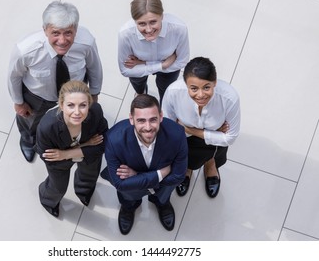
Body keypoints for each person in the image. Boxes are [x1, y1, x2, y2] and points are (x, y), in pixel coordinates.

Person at [8, 1, 103, 162]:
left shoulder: (86, 42)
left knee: (72, 119)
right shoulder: (26, 50)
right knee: (29, 122)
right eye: (56, 33)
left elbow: (95, 68)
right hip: (38, 97)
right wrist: (18, 102)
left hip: (75, 94)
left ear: (76, 30)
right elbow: (14, 76)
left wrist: (94, 93)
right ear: (45, 30)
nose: (62, 40)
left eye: (68, 33)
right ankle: (29, 140)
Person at [101, 94, 187, 235]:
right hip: (134, 189)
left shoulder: (177, 134)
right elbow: (120, 184)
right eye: (141, 120)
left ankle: (161, 203)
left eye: (153, 120)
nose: (148, 127)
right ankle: (129, 207)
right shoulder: (113, 139)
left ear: (161, 116)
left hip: (162, 187)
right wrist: (160, 174)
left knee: (163, 194)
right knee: (128, 196)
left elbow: (178, 176)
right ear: (131, 119)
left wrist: (136, 176)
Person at [162, 57, 240, 198]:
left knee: (214, 155)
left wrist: (190, 129)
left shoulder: (229, 98)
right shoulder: (173, 92)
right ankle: (188, 169)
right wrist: (214, 132)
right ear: (185, 84)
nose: (201, 95)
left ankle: (210, 165)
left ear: (214, 83)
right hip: (188, 137)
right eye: (193, 88)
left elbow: (230, 138)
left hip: (212, 141)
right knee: (187, 157)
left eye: (206, 87)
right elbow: (168, 125)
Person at [35, 80, 108, 218]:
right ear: (61, 105)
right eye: (70, 105)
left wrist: (65, 153)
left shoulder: (96, 111)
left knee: (90, 176)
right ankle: (48, 201)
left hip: (85, 157)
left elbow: (104, 143)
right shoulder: (47, 127)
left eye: (83, 105)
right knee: (58, 187)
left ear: (89, 104)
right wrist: (87, 145)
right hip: (60, 164)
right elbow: (49, 158)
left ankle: (84, 192)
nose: (77, 112)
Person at [118, 0, 189, 104]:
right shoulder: (125, 34)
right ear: (134, 21)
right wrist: (162, 65)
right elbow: (125, 70)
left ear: (162, 16)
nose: (149, 30)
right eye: (142, 24)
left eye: (153, 22)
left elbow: (182, 62)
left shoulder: (179, 29)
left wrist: (143, 63)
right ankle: (141, 93)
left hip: (166, 70)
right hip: (166, 65)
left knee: (165, 91)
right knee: (138, 86)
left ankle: (164, 103)